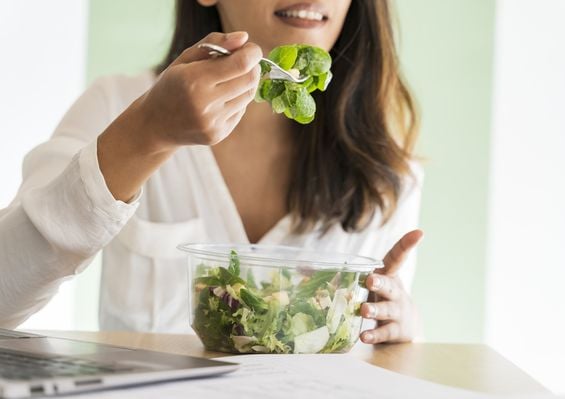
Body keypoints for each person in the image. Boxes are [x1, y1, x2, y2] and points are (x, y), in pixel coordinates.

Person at [0, 0, 423, 345]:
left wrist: (402, 334)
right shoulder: (115, 105)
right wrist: (144, 135)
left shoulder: (387, 174)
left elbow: (377, 359)